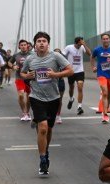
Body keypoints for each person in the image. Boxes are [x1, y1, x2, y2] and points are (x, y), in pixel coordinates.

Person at [21, 31, 73, 175]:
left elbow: (70, 70)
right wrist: (28, 76)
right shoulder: (30, 59)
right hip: (36, 97)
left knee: (48, 129)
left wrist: (55, 75)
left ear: (48, 44)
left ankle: (45, 150)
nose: (42, 43)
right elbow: (22, 73)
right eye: (39, 41)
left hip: (53, 98)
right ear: (35, 45)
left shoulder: (55, 57)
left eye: (44, 41)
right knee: (42, 127)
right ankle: (43, 159)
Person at [91, 33, 110, 124]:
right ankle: (105, 114)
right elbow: (92, 57)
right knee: (105, 92)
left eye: (107, 38)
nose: (105, 40)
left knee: (109, 94)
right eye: (103, 39)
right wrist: (93, 67)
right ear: (101, 40)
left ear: (109, 39)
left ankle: (106, 109)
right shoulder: (97, 49)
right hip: (101, 73)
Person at [63, 36, 91, 115]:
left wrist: (84, 45)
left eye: (82, 42)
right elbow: (63, 55)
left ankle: (79, 107)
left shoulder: (82, 47)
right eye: (81, 42)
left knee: (80, 87)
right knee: (71, 88)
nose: (82, 43)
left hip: (80, 71)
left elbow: (89, 54)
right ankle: (71, 99)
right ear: (77, 42)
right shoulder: (69, 47)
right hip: (71, 71)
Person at [9, 40, 34, 121]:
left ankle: (27, 112)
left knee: (29, 97)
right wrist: (13, 66)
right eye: (21, 45)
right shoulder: (16, 55)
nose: (23, 46)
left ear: (27, 46)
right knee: (20, 95)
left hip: (29, 78)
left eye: (25, 45)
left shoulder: (33, 54)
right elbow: (9, 62)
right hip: (19, 77)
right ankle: (24, 112)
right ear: (19, 47)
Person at [53, 48, 66, 124]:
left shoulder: (63, 62)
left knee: (59, 100)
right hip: (51, 82)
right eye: (56, 53)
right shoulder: (49, 62)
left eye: (59, 53)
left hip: (60, 81)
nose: (57, 54)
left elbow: (69, 70)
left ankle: (58, 115)